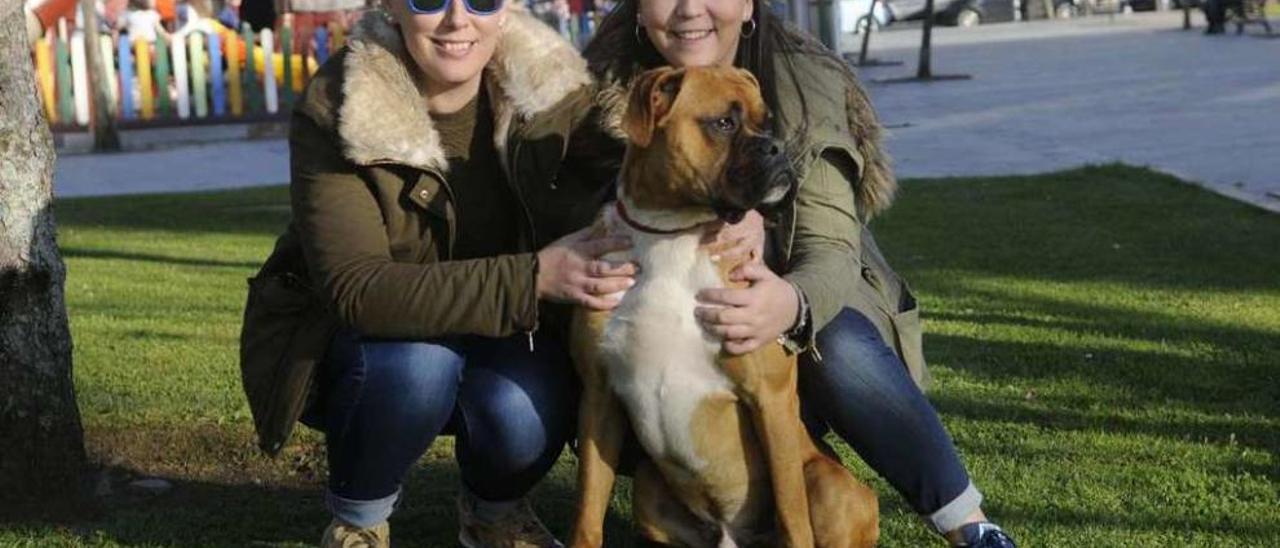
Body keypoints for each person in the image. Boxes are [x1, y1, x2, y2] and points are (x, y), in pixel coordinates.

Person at [561, 0, 1022, 545]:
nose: (690, 9)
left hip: (821, 288)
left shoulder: (805, 78)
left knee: (838, 341)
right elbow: (553, 199)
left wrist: (788, 295)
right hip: (651, 282)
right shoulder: (589, 84)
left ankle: (968, 524)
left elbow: (828, 245)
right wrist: (571, 248)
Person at [238, 0, 633, 546]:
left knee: (525, 407)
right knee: (420, 369)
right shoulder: (340, 106)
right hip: (375, 347)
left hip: (505, 333)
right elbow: (358, 290)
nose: (457, 19)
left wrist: (738, 221)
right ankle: (360, 519)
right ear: (390, 7)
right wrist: (532, 278)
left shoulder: (554, 91)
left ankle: (493, 513)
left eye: (482, 1)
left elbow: (652, 169)